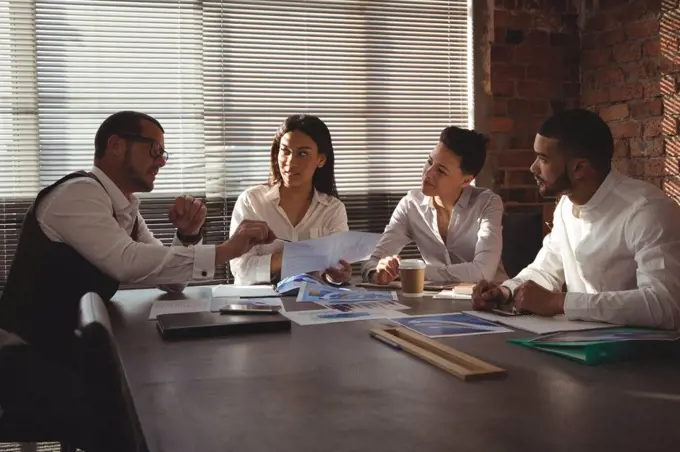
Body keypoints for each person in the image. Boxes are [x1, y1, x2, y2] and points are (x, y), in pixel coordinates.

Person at [0, 111, 275, 450]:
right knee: (141, 416)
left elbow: (166, 278)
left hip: (65, 347)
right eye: (154, 149)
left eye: (163, 153)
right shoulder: (79, 195)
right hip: (23, 358)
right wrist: (226, 249)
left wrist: (188, 236)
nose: (161, 162)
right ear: (116, 145)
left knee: (165, 397)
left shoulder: (125, 205)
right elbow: (127, 262)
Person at [472, 109, 680, 330]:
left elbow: (665, 305)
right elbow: (546, 269)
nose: (533, 168)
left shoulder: (647, 211)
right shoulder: (565, 205)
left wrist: (560, 302)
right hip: (580, 344)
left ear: (579, 168)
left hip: (643, 356)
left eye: (543, 159)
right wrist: (506, 291)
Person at [362, 126, 506, 285]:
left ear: (465, 180)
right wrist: (379, 272)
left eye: (441, 171)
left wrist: (414, 270)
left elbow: (482, 272)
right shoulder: (411, 205)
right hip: (437, 301)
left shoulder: (487, 203)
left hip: (489, 300)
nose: (428, 173)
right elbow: (372, 261)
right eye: (429, 161)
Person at [229, 114, 352, 285]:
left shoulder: (333, 209)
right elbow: (241, 270)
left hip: (313, 306)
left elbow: (333, 270)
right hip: (258, 305)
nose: (290, 162)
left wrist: (336, 276)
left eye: (302, 153)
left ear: (321, 159)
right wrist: (293, 255)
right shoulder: (252, 200)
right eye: (285, 151)